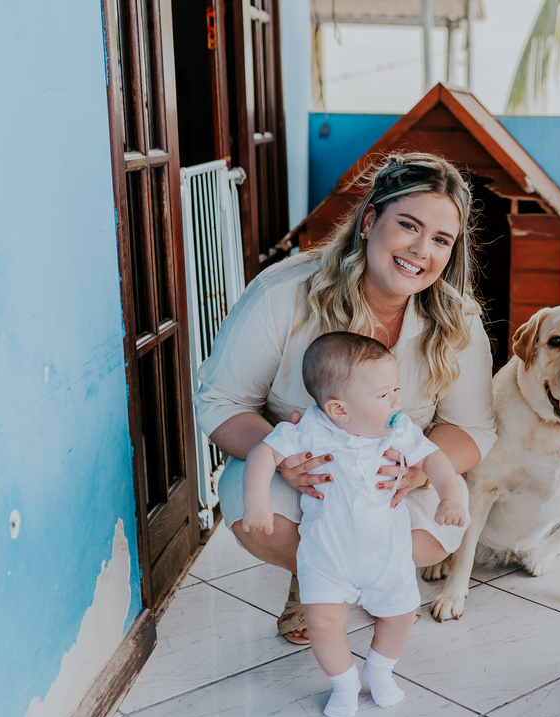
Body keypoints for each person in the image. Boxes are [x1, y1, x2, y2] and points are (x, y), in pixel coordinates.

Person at [195, 153, 497, 644]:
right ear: (370, 220)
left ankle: (383, 583)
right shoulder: (283, 293)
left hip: (389, 484)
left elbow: (474, 428)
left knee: (434, 537)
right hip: (304, 476)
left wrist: (421, 470)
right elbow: (220, 402)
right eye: (408, 226)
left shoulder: (458, 319)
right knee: (262, 522)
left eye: (441, 239)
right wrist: (280, 454)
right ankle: (317, 585)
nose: (421, 250)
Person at [242, 333, 465, 717]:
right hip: (327, 557)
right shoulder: (309, 429)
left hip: (387, 556)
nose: (396, 400)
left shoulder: (399, 430)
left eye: (395, 389)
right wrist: (256, 503)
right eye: (383, 395)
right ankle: (344, 684)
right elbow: (264, 454)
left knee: (398, 616)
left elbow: (435, 460)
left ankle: (380, 672)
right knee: (324, 622)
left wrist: (450, 496)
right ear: (339, 410)